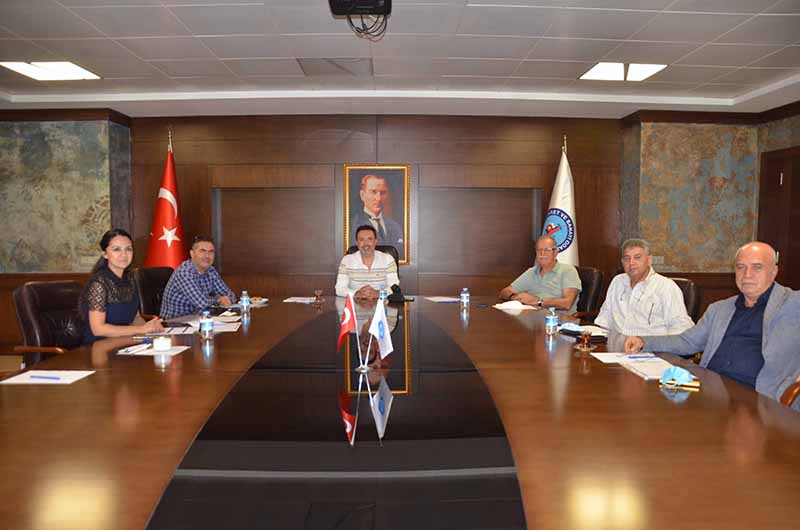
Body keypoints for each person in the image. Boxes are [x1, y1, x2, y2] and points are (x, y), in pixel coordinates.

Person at [625, 241, 800, 405]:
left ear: (774, 271)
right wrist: (643, 341)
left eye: (757, 267)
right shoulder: (720, 309)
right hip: (711, 394)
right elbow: (687, 341)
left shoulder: (793, 303)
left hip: (761, 400)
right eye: (741, 267)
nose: (747, 275)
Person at [596, 238, 693, 345]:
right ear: (622, 262)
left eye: (637, 257)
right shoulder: (617, 282)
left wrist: (659, 348)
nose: (631, 263)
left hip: (649, 350)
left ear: (649, 260)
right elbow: (604, 318)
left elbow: (681, 328)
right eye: (627, 258)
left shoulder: (666, 287)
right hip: (616, 348)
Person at [81, 228, 163, 344]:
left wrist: (151, 329)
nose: (124, 255)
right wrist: (140, 329)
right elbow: (98, 329)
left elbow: (136, 318)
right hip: (100, 346)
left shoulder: (130, 279)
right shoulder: (99, 283)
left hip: (125, 342)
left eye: (128, 249)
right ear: (105, 254)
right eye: (117, 249)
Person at [160, 235, 236, 319]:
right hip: (175, 321)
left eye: (211, 252)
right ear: (192, 254)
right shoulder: (184, 272)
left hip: (198, 318)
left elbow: (230, 295)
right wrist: (219, 299)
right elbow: (201, 303)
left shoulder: (211, 270)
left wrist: (227, 299)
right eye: (202, 251)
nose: (207, 256)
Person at [499, 235, 582, 312]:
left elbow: (567, 303)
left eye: (547, 250)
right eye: (539, 250)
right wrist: (514, 297)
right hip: (532, 317)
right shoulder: (531, 272)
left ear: (556, 252)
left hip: (558, 319)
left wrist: (538, 301)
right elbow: (504, 292)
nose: (542, 253)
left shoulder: (568, 270)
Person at [336, 225, 399, 300]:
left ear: (375, 241)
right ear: (357, 243)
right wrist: (356, 293)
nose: (366, 243)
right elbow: (339, 289)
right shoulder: (347, 260)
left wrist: (379, 294)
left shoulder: (388, 259)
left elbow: (394, 288)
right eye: (361, 240)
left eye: (370, 239)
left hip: (382, 304)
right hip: (356, 303)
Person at [350, 174, 403, 254]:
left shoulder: (395, 226)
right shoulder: (352, 225)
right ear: (362, 195)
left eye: (383, 193)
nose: (378, 198)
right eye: (373, 192)